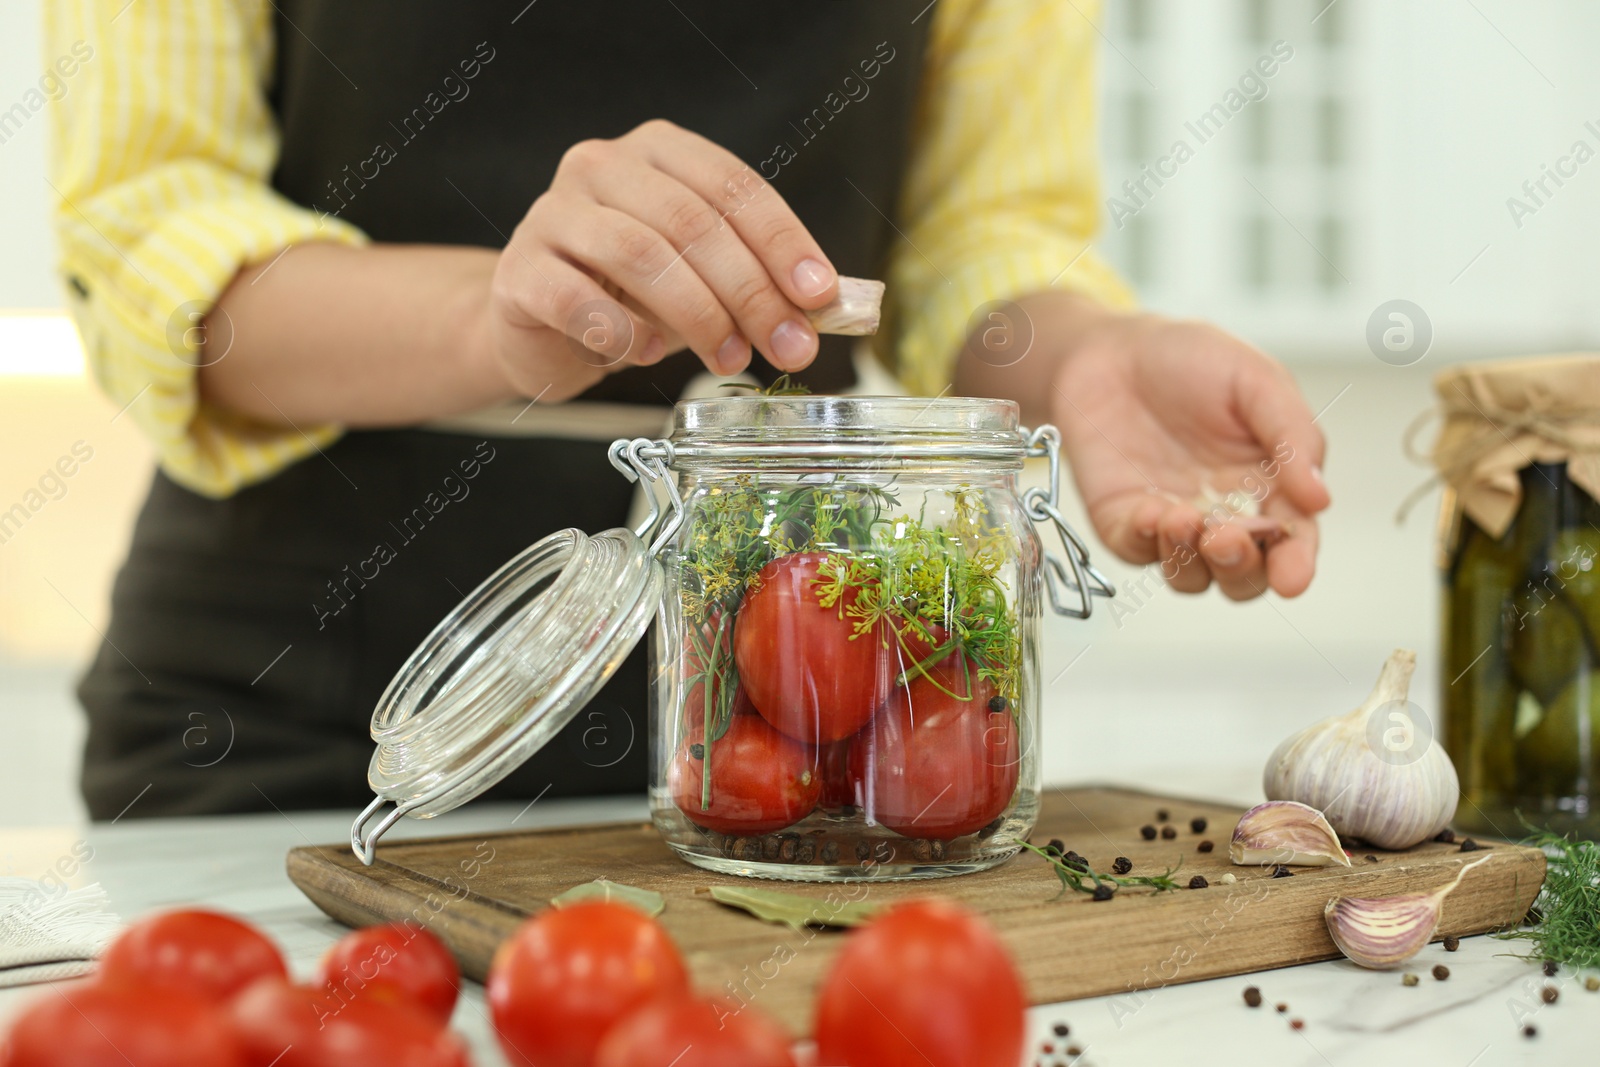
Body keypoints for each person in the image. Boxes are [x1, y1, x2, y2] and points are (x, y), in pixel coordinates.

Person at [48, 0, 1329, 819]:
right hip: (295, 721)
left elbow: (973, 237)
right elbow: (154, 240)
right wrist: (489, 319)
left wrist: (1085, 356)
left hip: (784, 729)